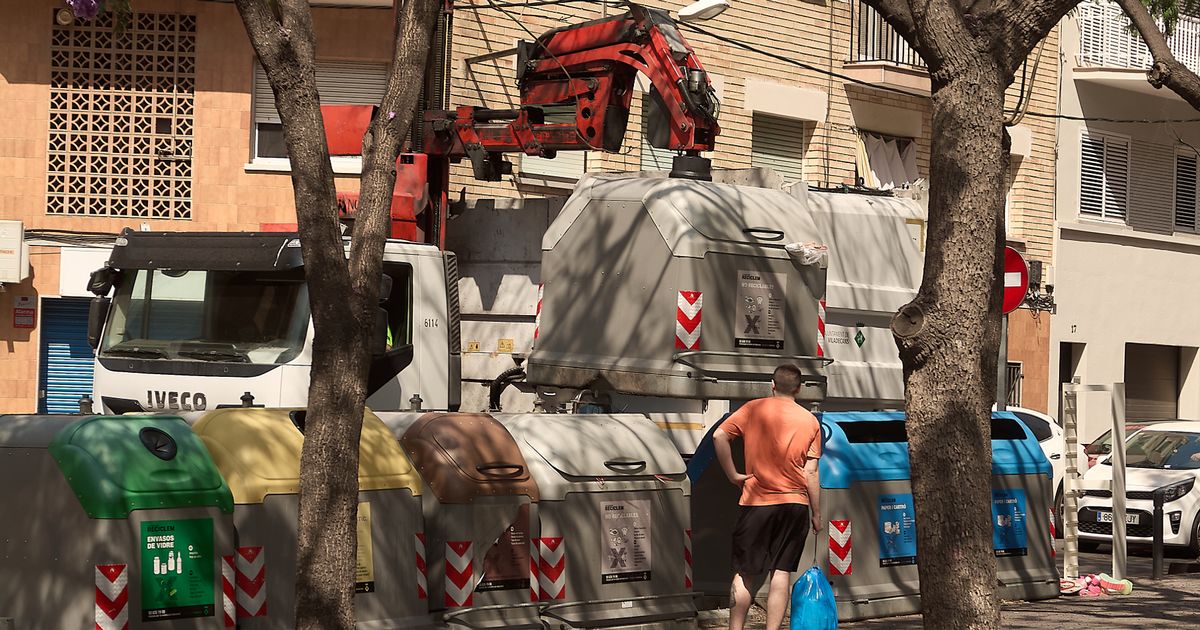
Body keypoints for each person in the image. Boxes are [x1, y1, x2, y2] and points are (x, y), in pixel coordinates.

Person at [713, 363, 822, 630]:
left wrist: (732, 475)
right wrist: (817, 514)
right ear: (799, 389)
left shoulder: (753, 409)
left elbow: (719, 435)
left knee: (746, 573)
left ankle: (735, 628)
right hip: (795, 505)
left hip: (756, 503)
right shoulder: (810, 421)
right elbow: (811, 473)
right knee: (781, 572)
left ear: (772, 385)